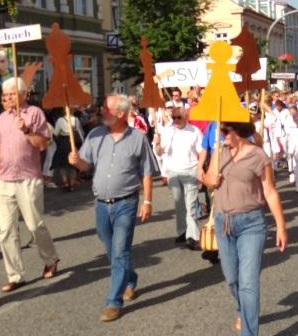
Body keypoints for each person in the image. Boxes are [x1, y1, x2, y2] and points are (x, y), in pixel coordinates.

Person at [68, 94, 157, 322]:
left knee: (120, 251)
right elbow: (86, 165)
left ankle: (113, 302)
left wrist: (147, 201)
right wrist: (76, 162)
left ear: (120, 113)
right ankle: (130, 278)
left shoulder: (138, 138)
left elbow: (146, 172)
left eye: (105, 109)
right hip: (100, 204)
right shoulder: (95, 135)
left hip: (126, 203)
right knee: (111, 249)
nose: (100, 112)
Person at [204, 122, 287, 336]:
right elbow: (207, 179)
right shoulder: (219, 151)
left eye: (225, 131)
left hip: (252, 224)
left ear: (238, 131)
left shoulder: (258, 156)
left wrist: (281, 227)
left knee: (248, 283)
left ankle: (249, 332)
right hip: (224, 223)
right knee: (232, 278)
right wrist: (209, 179)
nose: (221, 135)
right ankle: (242, 309)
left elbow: (270, 192)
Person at [0, 77, 59, 293]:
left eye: (12, 93)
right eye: (6, 94)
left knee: (34, 225)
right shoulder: (1, 117)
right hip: (4, 180)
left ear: (23, 95)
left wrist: (27, 130)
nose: (8, 97)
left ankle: (51, 258)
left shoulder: (34, 113)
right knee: (6, 231)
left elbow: (41, 145)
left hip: (28, 178)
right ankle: (15, 275)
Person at [154, 107, 202, 249]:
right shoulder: (168, 131)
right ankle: (182, 231)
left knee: (191, 204)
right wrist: (157, 143)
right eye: (173, 117)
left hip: (190, 170)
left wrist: (200, 169)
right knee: (179, 203)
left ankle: (192, 236)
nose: (175, 120)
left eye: (178, 118)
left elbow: (201, 152)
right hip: (173, 172)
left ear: (185, 117)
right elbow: (160, 151)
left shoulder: (194, 131)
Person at [51, 110, 84, 191]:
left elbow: (56, 132)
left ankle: (65, 183)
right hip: (73, 142)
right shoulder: (76, 119)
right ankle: (72, 184)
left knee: (63, 164)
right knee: (73, 164)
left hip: (64, 142)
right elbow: (80, 132)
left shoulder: (60, 120)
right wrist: (82, 142)